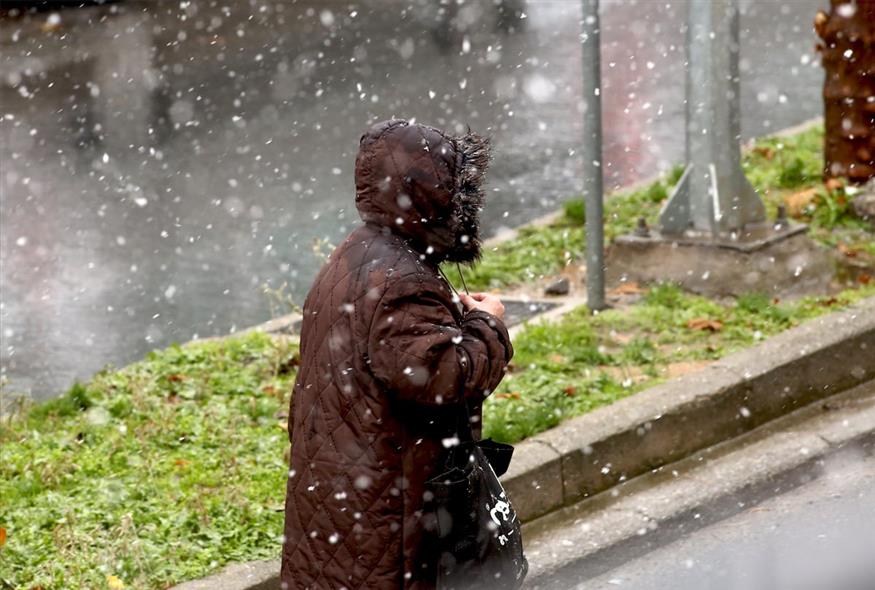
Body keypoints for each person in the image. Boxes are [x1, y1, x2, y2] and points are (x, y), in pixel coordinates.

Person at [281, 119, 514, 589]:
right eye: (458, 189)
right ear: (432, 195)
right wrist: (488, 324)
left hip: (346, 492)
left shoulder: (356, 254)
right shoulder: (401, 281)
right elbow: (445, 377)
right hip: (390, 508)